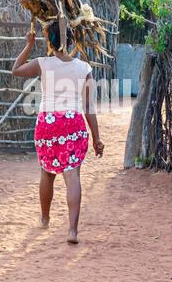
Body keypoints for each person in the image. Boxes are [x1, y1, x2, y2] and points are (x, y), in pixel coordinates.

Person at [12, 21, 104, 244]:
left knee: (47, 173)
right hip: (72, 123)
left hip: (47, 123)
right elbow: (89, 107)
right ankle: (72, 231)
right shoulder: (84, 69)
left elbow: (15, 70)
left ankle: (45, 219)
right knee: (72, 175)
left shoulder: (42, 63)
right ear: (71, 40)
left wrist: (28, 45)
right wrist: (97, 138)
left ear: (49, 41)